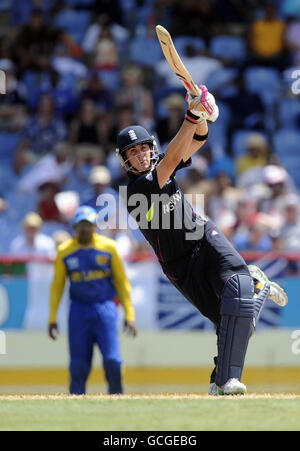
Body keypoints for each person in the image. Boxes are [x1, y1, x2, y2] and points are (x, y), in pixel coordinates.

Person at [115, 84, 287, 396]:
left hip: (204, 237)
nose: (141, 156)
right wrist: (194, 112)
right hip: (179, 266)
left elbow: (197, 140)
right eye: (133, 152)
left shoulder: (162, 165)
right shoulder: (135, 190)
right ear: (125, 160)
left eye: (143, 148)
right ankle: (255, 290)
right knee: (229, 318)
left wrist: (204, 111)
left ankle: (226, 381)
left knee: (236, 291)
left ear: (151, 147)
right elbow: (171, 159)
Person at [48, 205, 136, 395]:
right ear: (74, 227)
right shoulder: (65, 251)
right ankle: (76, 405)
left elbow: (122, 283)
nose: (85, 229)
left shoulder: (109, 248)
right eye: (81, 225)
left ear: (95, 226)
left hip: (105, 309)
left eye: (89, 224)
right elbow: (57, 286)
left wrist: (129, 314)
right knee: (78, 365)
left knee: (113, 361)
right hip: (78, 311)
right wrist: (52, 318)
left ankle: (117, 399)